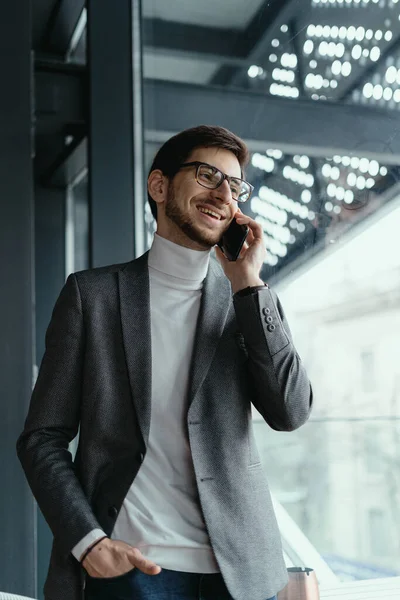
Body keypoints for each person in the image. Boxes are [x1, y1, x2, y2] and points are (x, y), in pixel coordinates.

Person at [17, 125, 313, 600]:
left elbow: (290, 412)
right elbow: (41, 438)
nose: (224, 194)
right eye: (207, 175)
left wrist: (249, 286)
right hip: (133, 569)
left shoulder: (248, 303)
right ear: (159, 186)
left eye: (235, 186)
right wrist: (89, 542)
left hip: (239, 576)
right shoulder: (90, 297)